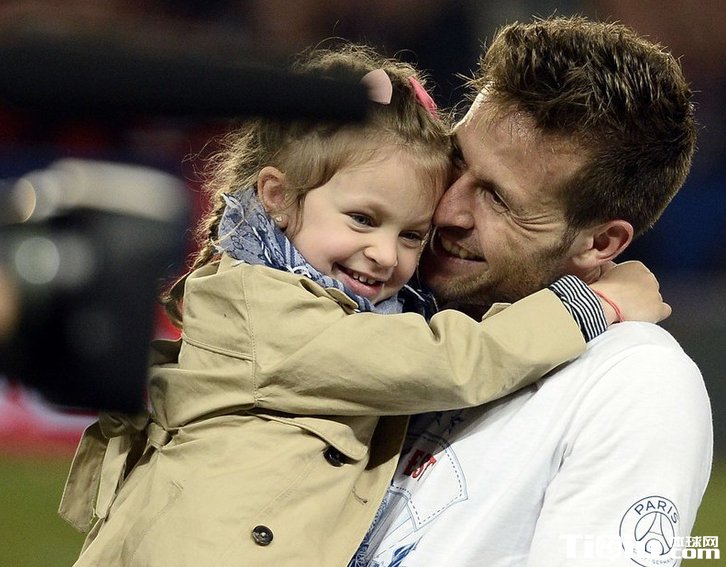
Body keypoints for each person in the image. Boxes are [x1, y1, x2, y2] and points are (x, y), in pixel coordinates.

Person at [57, 44, 666, 566]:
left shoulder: (329, 297)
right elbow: (449, 361)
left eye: (411, 233)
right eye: (363, 219)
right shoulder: (265, 309)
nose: (384, 254)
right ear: (278, 197)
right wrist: (589, 304)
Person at [350, 16, 713, 567]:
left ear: (600, 242)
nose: (448, 210)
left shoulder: (634, 382)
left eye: (499, 200)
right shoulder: (375, 306)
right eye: (456, 160)